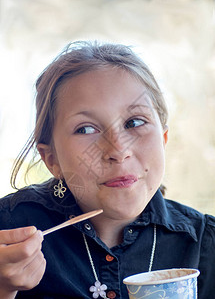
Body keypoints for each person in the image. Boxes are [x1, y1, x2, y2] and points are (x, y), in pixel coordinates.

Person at [0, 41, 214, 299]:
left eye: (134, 122)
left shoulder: (204, 244)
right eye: (86, 129)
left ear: (164, 139)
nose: (118, 150)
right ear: (51, 159)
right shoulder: (8, 231)